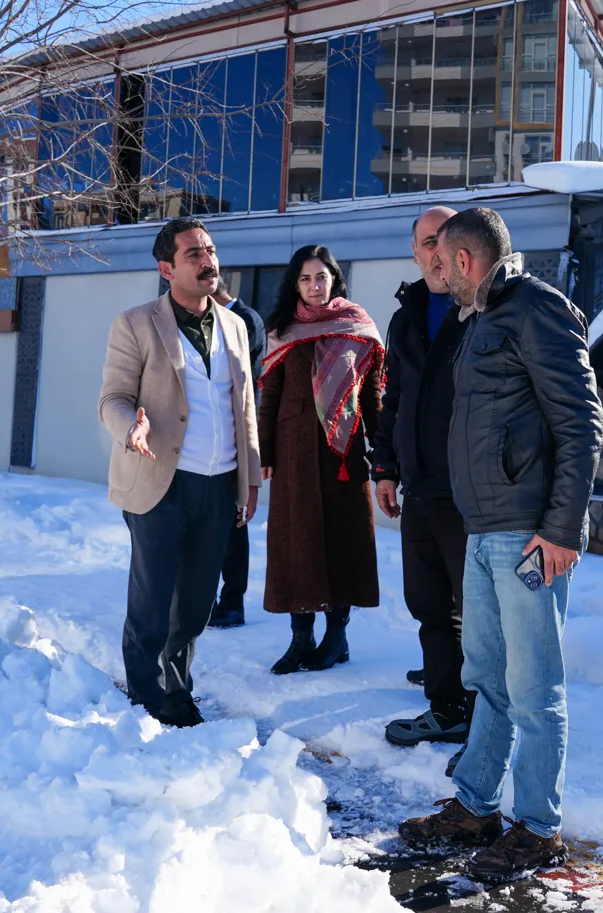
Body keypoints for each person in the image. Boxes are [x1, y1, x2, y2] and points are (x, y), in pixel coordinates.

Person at [399, 209, 603, 884]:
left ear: (464, 260)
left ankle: (539, 828)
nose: (436, 274)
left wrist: (562, 529)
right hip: (483, 530)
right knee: (486, 677)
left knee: (534, 687)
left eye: (441, 261)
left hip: (529, 533)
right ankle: (477, 807)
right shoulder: (480, 319)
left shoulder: (536, 308)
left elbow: (581, 420)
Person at [98, 216, 261, 728]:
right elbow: (112, 398)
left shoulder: (235, 325)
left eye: (209, 250)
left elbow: (245, 408)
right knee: (151, 603)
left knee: (194, 605)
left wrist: (250, 478)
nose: (208, 260)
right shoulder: (135, 323)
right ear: (166, 269)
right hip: (159, 484)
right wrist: (131, 428)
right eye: (194, 254)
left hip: (218, 486)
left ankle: (177, 689)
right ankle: (148, 701)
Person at [371, 206, 473, 765]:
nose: (438, 252)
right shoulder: (405, 316)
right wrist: (385, 467)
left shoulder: (482, 309)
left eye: (447, 240)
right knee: (429, 603)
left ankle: (487, 717)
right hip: (420, 488)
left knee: (478, 610)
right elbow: (394, 398)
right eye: (428, 242)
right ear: (415, 253)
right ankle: (447, 705)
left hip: (472, 491)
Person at [258, 244, 384, 674]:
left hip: (343, 456)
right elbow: (270, 395)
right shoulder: (282, 329)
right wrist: (265, 450)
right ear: (295, 285)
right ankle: (300, 637)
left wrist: (383, 455)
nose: (314, 286)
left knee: (342, 541)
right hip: (292, 455)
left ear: (334, 280)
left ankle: (336, 636)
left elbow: (372, 396)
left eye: (321, 277)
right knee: (297, 544)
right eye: (306, 279)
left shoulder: (357, 326)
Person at [208, 276, 266, 629]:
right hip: (217, 439)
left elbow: (244, 380)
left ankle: (232, 604)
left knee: (233, 525)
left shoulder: (244, 320)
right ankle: (216, 601)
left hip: (237, 436)